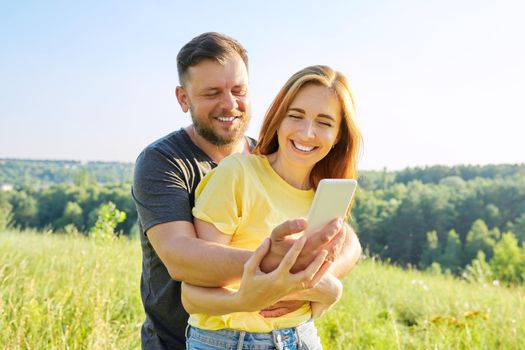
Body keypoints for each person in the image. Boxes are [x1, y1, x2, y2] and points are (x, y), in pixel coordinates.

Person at [132, 32, 361, 349]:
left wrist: (323, 283)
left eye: (238, 90)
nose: (229, 104)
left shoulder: (276, 158)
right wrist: (280, 267)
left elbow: (347, 238)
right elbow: (180, 258)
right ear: (183, 98)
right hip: (179, 337)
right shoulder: (163, 162)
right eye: (212, 92)